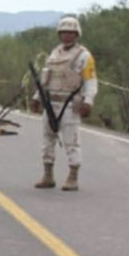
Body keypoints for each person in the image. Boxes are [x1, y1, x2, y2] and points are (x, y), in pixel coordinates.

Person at [30, 16, 97, 192]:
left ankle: (73, 176)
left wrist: (88, 101)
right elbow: (46, 79)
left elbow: (90, 81)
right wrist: (37, 97)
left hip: (70, 103)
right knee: (47, 140)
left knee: (71, 141)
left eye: (71, 33)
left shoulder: (84, 56)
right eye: (64, 32)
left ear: (77, 34)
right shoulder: (54, 53)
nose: (67, 36)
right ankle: (48, 174)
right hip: (51, 102)